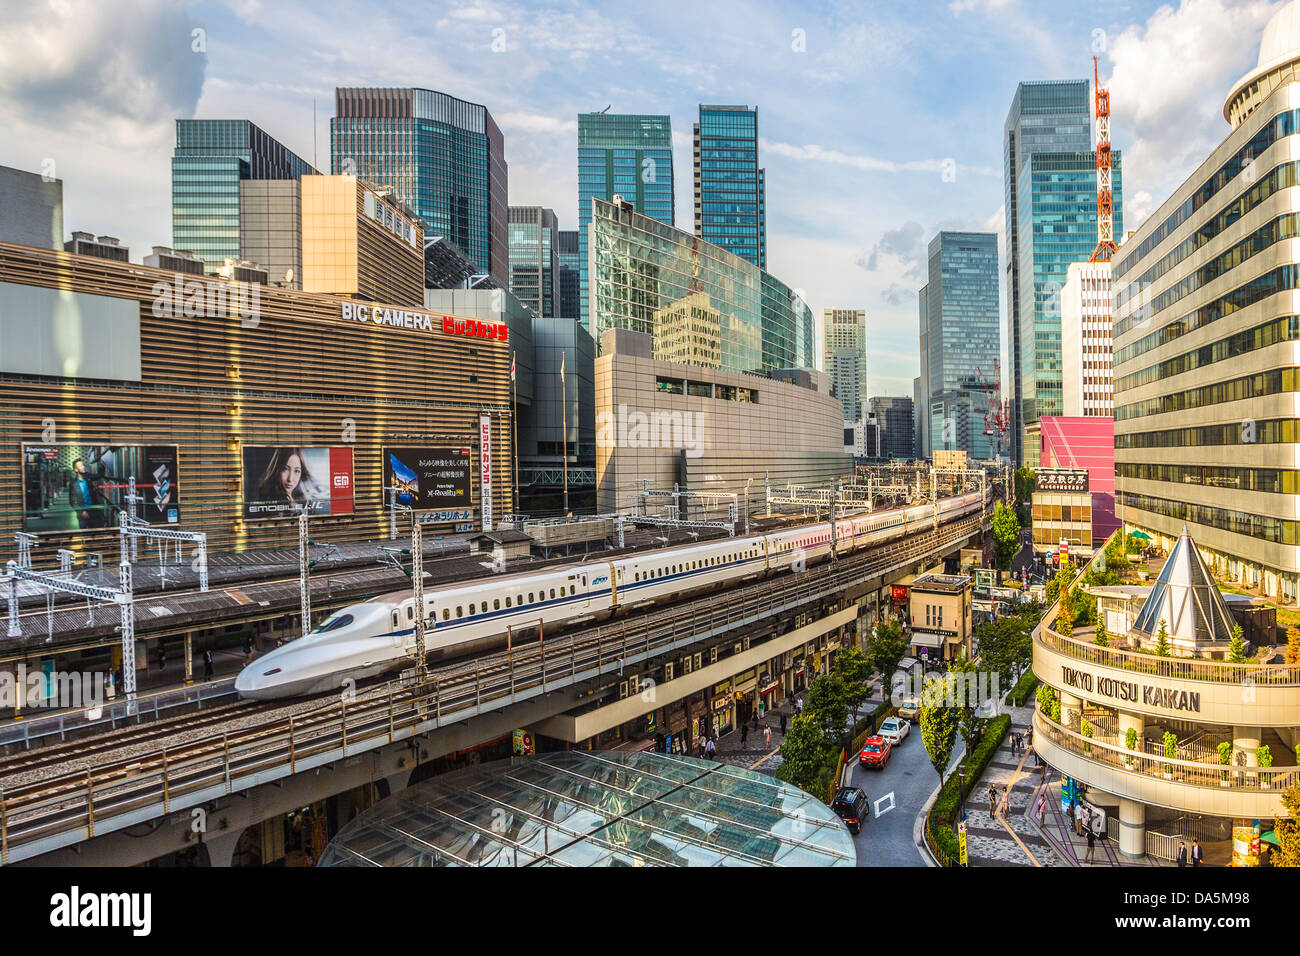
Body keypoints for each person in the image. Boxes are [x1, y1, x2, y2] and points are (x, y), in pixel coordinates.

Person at [254, 447, 316, 516]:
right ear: (277, 469)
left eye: (297, 471)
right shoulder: (270, 502)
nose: (290, 479)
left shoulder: (302, 497)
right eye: (285, 469)